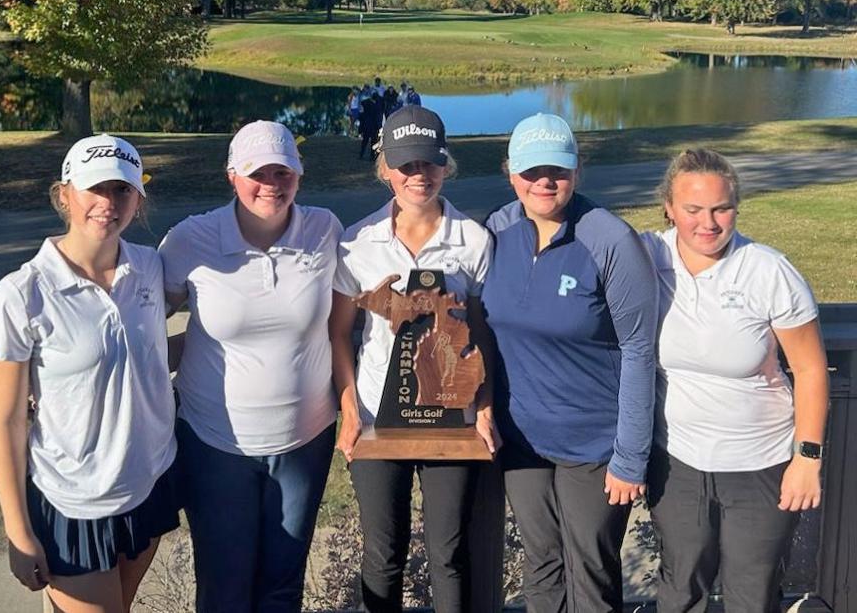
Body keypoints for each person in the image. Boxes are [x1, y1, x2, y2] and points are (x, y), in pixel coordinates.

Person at [0, 134, 178, 613]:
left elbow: (150, 353)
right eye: (95, 189)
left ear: (138, 198)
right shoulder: (22, 294)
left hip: (147, 484)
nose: (108, 203)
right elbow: (7, 421)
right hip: (71, 504)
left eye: (122, 190)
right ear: (64, 194)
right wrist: (17, 530)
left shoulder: (150, 268)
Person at [159, 120, 342, 612]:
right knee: (224, 585)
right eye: (258, 173)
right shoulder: (190, 241)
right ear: (232, 176)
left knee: (283, 585)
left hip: (305, 440)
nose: (272, 185)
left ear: (299, 176)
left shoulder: (325, 230)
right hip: (215, 443)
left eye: (284, 173)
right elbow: (143, 318)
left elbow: (349, 321)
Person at [481, 113, 658, 612]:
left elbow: (640, 350)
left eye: (557, 170)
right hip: (522, 442)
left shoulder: (609, 239)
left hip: (594, 445)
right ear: (510, 173)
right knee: (540, 565)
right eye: (531, 170)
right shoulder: (497, 229)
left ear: (577, 172)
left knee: (591, 572)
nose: (544, 181)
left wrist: (629, 457)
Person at [641, 149, 829, 613]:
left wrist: (807, 459)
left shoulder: (768, 270)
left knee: (753, 592)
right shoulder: (647, 257)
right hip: (677, 462)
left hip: (759, 464)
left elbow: (808, 369)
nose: (708, 223)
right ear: (668, 207)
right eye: (692, 210)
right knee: (681, 588)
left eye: (721, 208)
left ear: (736, 208)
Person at [331, 105, 498, 612]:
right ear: (384, 169)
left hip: (453, 420)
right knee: (383, 553)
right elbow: (339, 335)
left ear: (446, 165)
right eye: (404, 165)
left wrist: (485, 407)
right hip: (379, 419)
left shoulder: (473, 240)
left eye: (428, 163)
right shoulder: (357, 243)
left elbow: (484, 336)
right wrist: (350, 411)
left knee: (448, 552)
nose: (417, 175)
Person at [359, 91, 384, 161]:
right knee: (373, 142)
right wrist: (379, 127)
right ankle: (372, 156)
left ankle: (361, 154)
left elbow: (362, 105)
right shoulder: (377, 106)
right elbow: (378, 118)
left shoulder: (366, 103)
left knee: (365, 141)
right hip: (374, 127)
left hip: (366, 125)